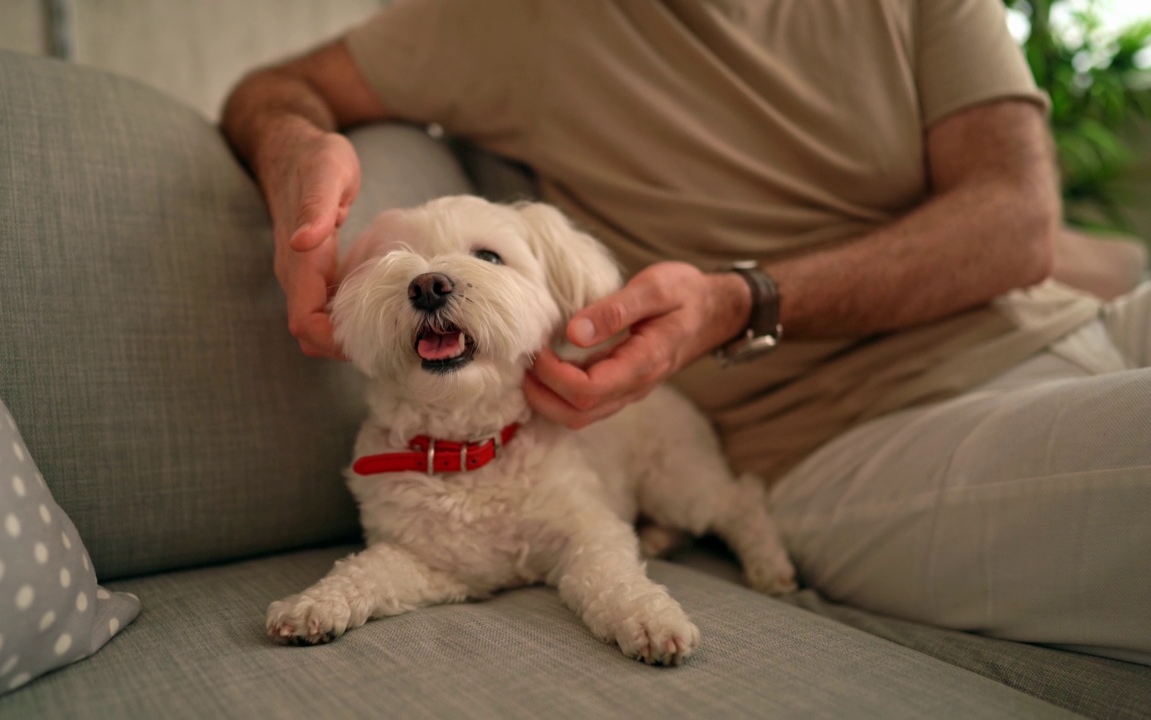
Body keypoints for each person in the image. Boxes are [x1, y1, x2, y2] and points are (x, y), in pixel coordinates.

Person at [221, 0, 1151, 665]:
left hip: (1089, 324)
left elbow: (1019, 223)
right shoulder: (507, 18)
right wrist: (295, 150)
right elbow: (279, 87)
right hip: (858, 428)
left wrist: (747, 295)